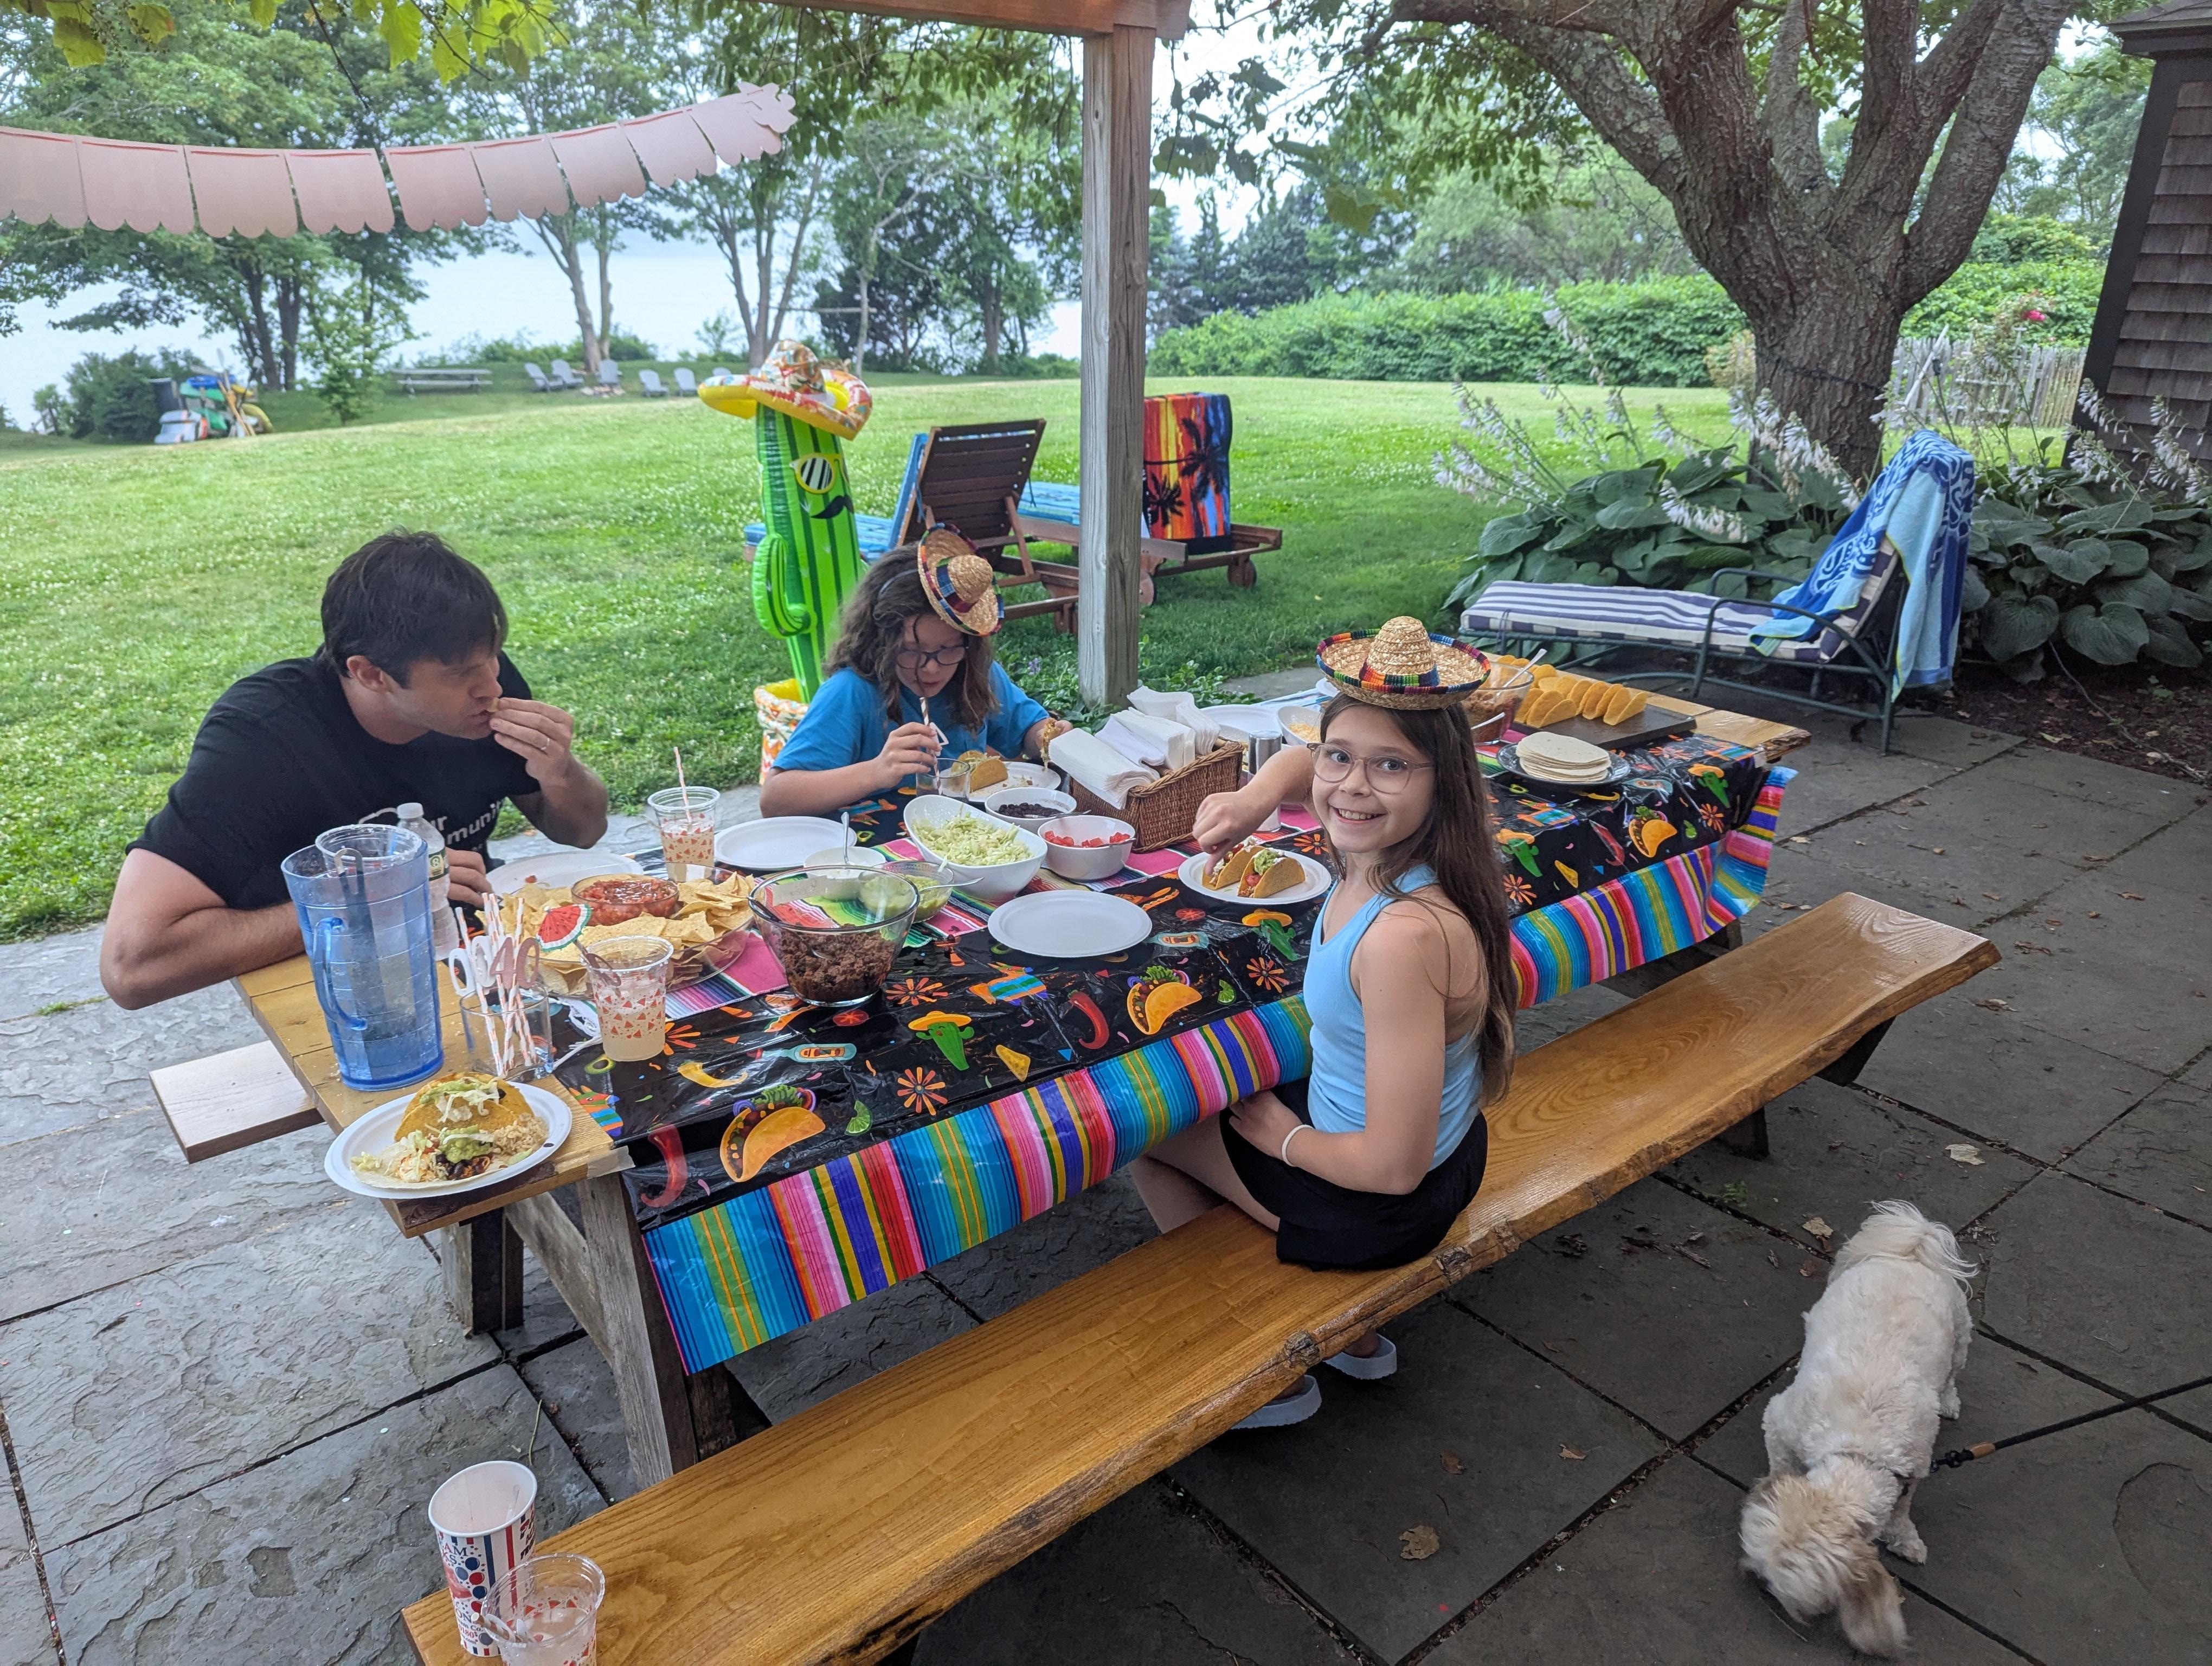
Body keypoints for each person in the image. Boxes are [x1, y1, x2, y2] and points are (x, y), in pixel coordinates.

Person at [1131, 618, 1519, 1429]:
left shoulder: (1404, 937)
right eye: (1342, 757)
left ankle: (1266, 1361)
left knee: (1148, 1130)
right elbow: (1314, 755)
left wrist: (1284, 1140)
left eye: (1388, 767)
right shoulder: (1410, 856)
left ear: (1441, 782)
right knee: (1236, 1084)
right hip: (1448, 1153)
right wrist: (1252, 797)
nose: (1348, 786)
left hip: (1379, 1201)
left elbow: (1391, 1168)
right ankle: (1353, 1336)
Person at [101, 532, 609, 1008]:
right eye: (460, 674)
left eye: (493, 657)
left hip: (479, 969)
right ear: (370, 673)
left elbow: (583, 831)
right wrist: (371, 898)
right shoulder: (262, 738)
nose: (492, 688)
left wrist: (560, 772)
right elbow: (133, 969)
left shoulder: (480, 684)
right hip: (340, 997)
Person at [758, 529, 1069, 818]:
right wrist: (877, 771)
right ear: (880, 640)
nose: (931, 667)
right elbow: (776, 799)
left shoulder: (974, 673)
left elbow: (1029, 730)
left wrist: (1049, 739)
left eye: (948, 648)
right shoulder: (853, 692)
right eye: (911, 650)